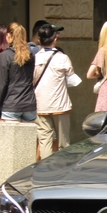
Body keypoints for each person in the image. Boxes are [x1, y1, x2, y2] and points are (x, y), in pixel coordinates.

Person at [34, 23, 76, 160]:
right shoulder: (62, 58)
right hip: (60, 105)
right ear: (55, 39)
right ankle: (62, 168)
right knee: (63, 142)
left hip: (40, 105)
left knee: (44, 140)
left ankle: (45, 169)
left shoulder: (34, 58)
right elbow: (72, 78)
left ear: (39, 41)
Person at [0, 23, 36, 123]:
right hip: (29, 103)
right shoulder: (31, 54)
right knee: (27, 138)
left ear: (8, 36)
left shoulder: (5, 55)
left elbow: (1, 84)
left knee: (11, 138)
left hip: (11, 104)